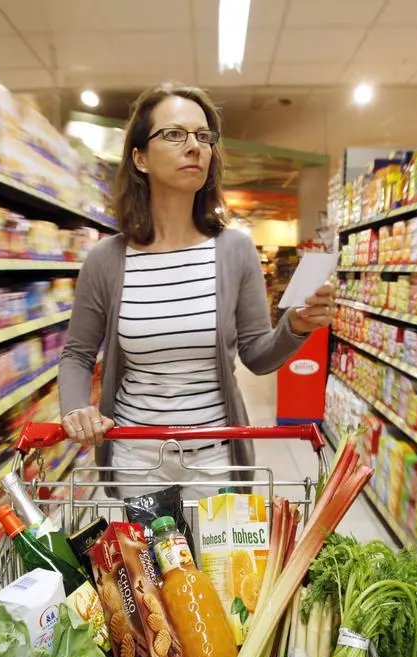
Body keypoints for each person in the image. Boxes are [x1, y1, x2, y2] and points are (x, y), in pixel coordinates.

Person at [58, 82, 334, 498]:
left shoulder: (234, 249)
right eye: (174, 134)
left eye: (203, 136)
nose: (194, 146)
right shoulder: (106, 259)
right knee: (144, 547)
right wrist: (77, 409)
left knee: (219, 546)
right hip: (136, 462)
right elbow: (78, 354)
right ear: (140, 157)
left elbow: (257, 356)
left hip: (215, 461)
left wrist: (294, 327)